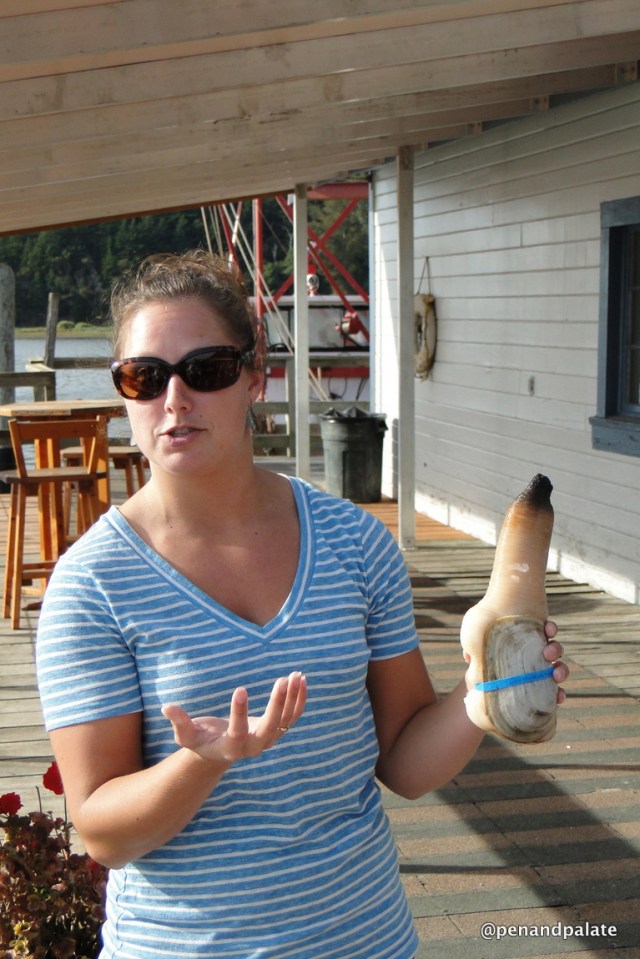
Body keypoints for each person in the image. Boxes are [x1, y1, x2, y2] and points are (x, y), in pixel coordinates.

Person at [36, 250, 568, 959]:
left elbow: (405, 762)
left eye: (207, 369)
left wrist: (484, 692)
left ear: (255, 378)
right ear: (123, 394)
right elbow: (103, 831)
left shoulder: (354, 542)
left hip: (366, 939)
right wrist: (206, 760)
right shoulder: (91, 583)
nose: (175, 398)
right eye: (145, 376)